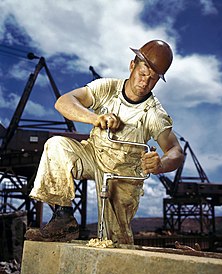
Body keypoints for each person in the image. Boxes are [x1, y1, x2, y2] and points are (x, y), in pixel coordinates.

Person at [25, 40, 184, 245]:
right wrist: (94, 118)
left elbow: (175, 150)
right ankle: (63, 219)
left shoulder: (154, 113)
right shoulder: (107, 88)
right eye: (142, 74)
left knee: (115, 241)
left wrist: (161, 164)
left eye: (152, 79)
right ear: (132, 65)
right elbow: (63, 102)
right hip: (93, 155)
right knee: (57, 145)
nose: (144, 82)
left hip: (123, 175)